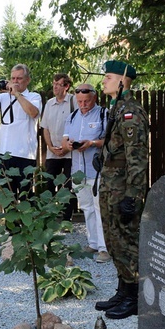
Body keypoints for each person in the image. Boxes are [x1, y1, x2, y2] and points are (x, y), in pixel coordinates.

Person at [93, 60, 149, 320]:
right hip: (110, 184)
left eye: (108, 77)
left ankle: (135, 297)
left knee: (126, 241)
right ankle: (123, 291)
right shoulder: (116, 108)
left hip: (122, 188)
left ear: (122, 81)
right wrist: (102, 156)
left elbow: (137, 157)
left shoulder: (131, 112)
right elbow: (117, 147)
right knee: (113, 240)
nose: (104, 81)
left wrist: (133, 196)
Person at [0, 64, 42, 197]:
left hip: (25, 155)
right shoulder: (4, 97)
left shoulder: (34, 96)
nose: (15, 81)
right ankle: (9, 219)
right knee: (6, 196)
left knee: (25, 197)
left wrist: (16, 94)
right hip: (4, 154)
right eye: (13, 78)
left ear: (27, 80)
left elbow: (33, 113)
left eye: (19, 78)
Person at [61, 83, 110, 263]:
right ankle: (93, 243)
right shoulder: (72, 117)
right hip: (78, 171)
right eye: (80, 101)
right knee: (87, 207)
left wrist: (92, 143)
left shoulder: (103, 114)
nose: (83, 104)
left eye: (86, 101)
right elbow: (64, 140)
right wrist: (69, 145)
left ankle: (104, 249)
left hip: (97, 171)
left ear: (94, 98)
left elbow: (110, 141)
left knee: (99, 209)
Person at [40, 73, 77, 221]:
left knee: (68, 185)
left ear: (66, 86)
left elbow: (77, 126)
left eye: (58, 84)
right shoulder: (49, 103)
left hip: (69, 153)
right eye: (54, 83)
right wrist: (49, 146)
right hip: (52, 152)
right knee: (49, 184)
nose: (55, 87)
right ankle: (48, 217)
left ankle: (67, 219)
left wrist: (67, 147)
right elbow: (45, 128)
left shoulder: (74, 102)